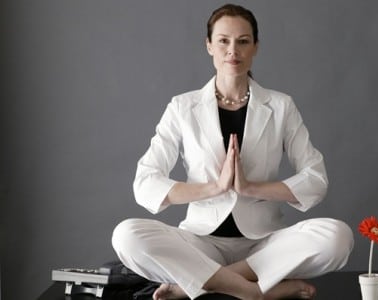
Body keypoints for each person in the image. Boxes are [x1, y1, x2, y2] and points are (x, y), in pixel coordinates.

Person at [111, 4, 354, 300]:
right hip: (199, 244)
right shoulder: (182, 107)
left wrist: (250, 187)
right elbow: (145, 184)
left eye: (243, 41)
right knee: (126, 235)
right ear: (209, 46)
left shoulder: (281, 106)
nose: (232, 50)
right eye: (223, 40)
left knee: (338, 237)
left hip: (263, 243)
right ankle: (257, 291)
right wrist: (214, 187)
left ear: (255, 47)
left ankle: (202, 284)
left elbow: (316, 180)